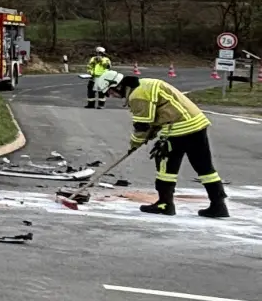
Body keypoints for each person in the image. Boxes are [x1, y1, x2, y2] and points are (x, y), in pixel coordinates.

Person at [95, 69, 226, 217]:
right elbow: (156, 117)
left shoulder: (137, 96)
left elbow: (143, 126)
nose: (111, 96)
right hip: (197, 124)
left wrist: (135, 143)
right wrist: (149, 135)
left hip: (178, 128)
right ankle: (218, 205)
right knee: (204, 167)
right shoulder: (146, 83)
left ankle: (165, 204)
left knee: (165, 166)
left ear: (116, 85)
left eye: (109, 92)